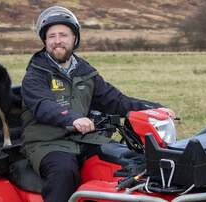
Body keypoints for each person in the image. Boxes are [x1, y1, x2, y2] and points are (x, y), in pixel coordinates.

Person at [21, 6, 175, 202]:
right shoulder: (35, 74)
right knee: (63, 173)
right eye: (51, 36)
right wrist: (73, 118)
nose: (57, 40)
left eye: (63, 35)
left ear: (74, 38)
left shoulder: (85, 72)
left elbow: (117, 101)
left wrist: (154, 108)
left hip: (85, 139)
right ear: (45, 41)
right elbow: (44, 106)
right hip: (47, 142)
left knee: (128, 159)